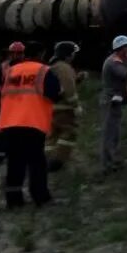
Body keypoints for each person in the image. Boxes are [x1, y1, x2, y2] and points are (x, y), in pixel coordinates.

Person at [0, 41, 61, 208]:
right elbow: (54, 94)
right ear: (41, 54)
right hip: (32, 122)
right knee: (36, 162)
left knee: (15, 162)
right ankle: (40, 197)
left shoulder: (11, 71)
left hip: (10, 122)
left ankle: (13, 200)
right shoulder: (44, 71)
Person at [46, 41, 82, 172]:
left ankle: (47, 159)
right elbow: (68, 89)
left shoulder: (52, 66)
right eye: (73, 53)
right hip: (64, 109)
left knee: (52, 136)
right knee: (69, 134)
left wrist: (77, 79)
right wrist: (76, 106)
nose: (74, 56)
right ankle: (57, 162)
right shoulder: (64, 68)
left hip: (51, 108)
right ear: (68, 55)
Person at [101, 35, 127, 173]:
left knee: (113, 132)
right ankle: (110, 163)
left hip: (115, 100)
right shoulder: (115, 62)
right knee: (111, 133)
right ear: (123, 49)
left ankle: (111, 160)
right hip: (112, 101)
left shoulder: (117, 60)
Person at [0, 41, 26, 164]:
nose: (17, 55)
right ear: (10, 54)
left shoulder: (28, 67)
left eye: (20, 53)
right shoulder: (3, 67)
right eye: (15, 53)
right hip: (7, 103)